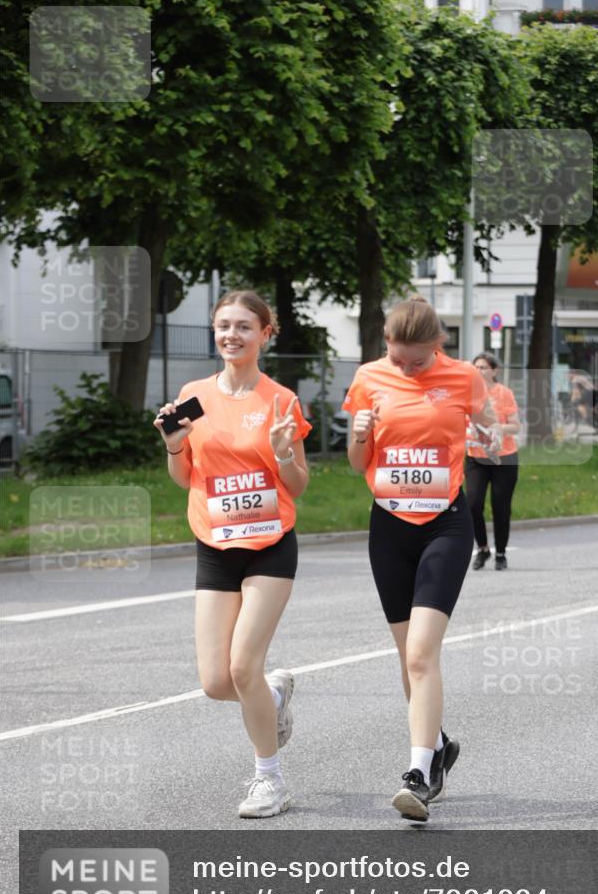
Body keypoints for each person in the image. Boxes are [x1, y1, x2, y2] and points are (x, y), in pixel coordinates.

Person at [343, 295, 501, 822]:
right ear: (385, 343)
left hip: (444, 524)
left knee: (420, 653)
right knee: (406, 658)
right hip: (388, 524)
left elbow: (491, 433)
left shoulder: (464, 378)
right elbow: (356, 461)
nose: (406, 369)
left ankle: (418, 773)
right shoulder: (368, 377)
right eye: (397, 358)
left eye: (418, 360)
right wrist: (360, 435)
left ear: (440, 344)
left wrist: (489, 435)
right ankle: (438, 744)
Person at [154, 290, 311, 817]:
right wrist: (175, 443)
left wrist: (285, 451)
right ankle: (274, 694)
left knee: (243, 667)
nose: (231, 335)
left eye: (244, 326)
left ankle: (270, 780)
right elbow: (185, 476)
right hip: (215, 544)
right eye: (224, 326)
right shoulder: (195, 395)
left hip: (269, 544)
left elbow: (299, 485)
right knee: (216, 682)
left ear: (266, 334)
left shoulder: (280, 400)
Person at [465, 352, 520, 571]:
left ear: (494, 371)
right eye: (475, 367)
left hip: (503, 458)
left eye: (483, 368)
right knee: (473, 504)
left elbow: (515, 425)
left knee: (500, 506)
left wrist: (498, 428)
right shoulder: (467, 394)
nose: (478, 371)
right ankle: (483, 548)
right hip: (475, 457)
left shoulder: (503, 393)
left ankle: (500, 553)